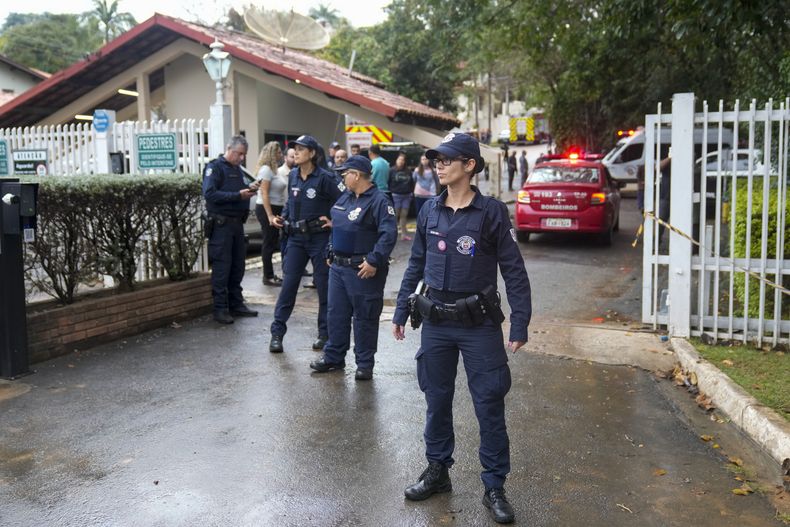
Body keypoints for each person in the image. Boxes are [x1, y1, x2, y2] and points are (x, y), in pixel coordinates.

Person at [392, 132, 532, 525]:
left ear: (469, 165)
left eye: (446, 159)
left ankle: (494, 485)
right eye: (435, 159)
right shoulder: (430, 210)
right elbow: (416, 264)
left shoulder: (491, 213)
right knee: (436, 400)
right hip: (435, 322)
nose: (438, 164)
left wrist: (519, 321)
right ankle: (437, 471)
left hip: (478, 325)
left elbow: (514, 271)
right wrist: (402, 310)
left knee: (489, 403)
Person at [309, 155, 397, 380]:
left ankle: (365, 363)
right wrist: (330, 250)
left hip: (363, 269)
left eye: (345, 173)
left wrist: (374, 260)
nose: (342, 177)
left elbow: (388, 235)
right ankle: (334, 357)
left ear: (356, 175)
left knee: (365, 317)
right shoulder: (345, 198)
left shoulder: (379, 201)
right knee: (336, 314)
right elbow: (335, 227)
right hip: (338, 268)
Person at [269, 135, 344, 353]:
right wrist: (282, 217)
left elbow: (345, 201)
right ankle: (277, 334)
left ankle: (324, 334)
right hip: (295, 239)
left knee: (324, 288)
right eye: (294, 149)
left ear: (312, 153)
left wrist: (334, 221)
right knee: (288, 287)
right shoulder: (293, 175)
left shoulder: (326, 178)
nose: (296, 152)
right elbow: (290, 203)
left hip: (319, 239)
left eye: (301, 149)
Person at [202, 136, 260, 324]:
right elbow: (209, 194)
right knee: (222, 268)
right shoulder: (215, 167)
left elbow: (237, 191)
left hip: (236, 225)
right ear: (229, 148)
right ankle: (220, 308)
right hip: (221, 225)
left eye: (244, 155)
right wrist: (237, 195)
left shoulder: (236, 169)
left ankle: (236, 304)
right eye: (239, 153)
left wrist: (248, 189)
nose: (241, 158)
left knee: (237, 266)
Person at [254, 141, 287, 286]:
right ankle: (268, 276)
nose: (281, 155)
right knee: (268, 242)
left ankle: (270, 274)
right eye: (279, 152)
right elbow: (264, 193)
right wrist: (270, 215)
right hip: (267, 208)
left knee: (273, 242)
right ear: (273, 154)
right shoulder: (266, 169)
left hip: (276, 207)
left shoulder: (274, 170)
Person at [388, 152, 415, 241]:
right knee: (395, 215)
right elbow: (388, 182)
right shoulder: (392, 170)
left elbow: (412, 183)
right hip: (396, 195)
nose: (401, 161)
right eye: (399, 159)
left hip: (406, 195)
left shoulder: (408, 171)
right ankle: (392, 234)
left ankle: (403, 234)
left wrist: (411, 192)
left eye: (403, 160)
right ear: (396, 160)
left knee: (404, 215)